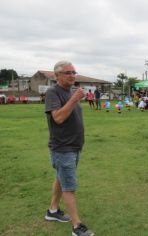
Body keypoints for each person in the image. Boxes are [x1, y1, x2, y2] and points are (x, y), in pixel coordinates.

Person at [44, 61, 94, 236]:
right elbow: (57, 118)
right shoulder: (53, 92)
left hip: (73, 146)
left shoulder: (70, 92)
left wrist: (73, 97)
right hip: (62, 147)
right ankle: (77, 226)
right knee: (69, 186)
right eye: (68, 73)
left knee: (61, 178)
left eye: (74, 72)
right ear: (57, 76)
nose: (72, 75)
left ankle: (52, 211)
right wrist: (74, 99)